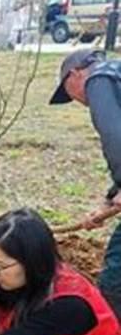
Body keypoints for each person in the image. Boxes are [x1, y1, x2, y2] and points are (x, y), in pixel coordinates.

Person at [48, 49, 121, 318]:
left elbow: (115, 135)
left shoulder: (99, 79)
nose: (76, 101)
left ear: (75, 74)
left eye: (69, 92)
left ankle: (109, 333)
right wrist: (109, 199)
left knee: (117, 265)